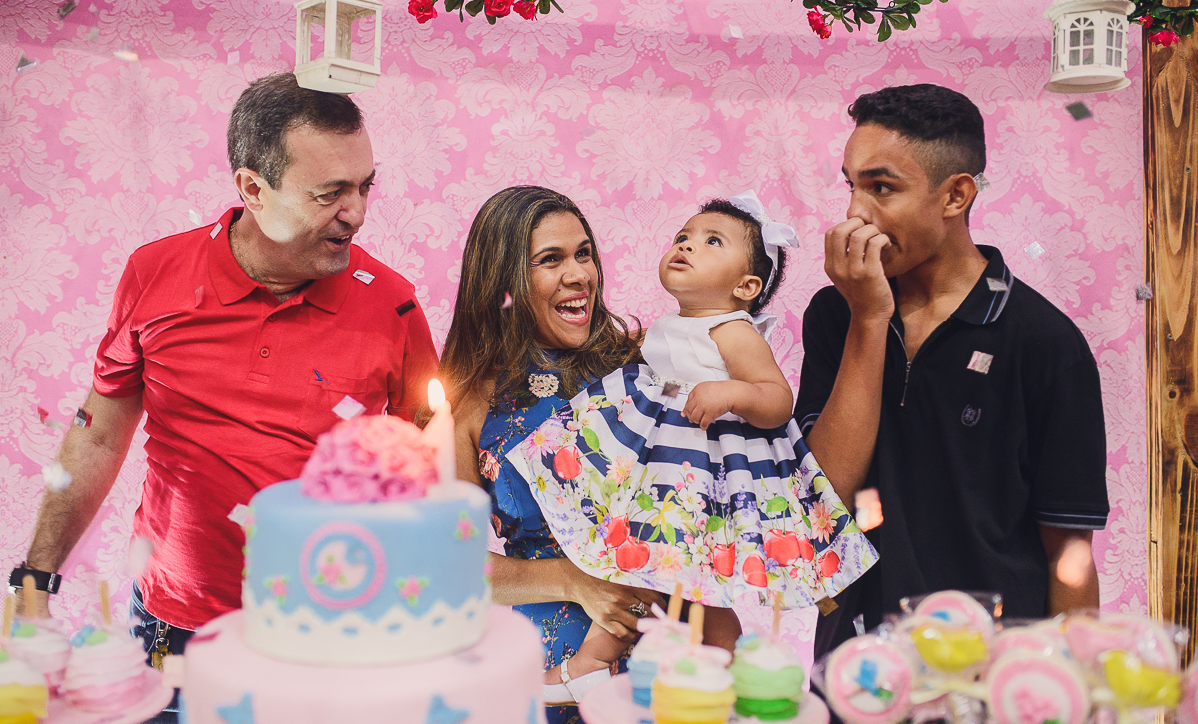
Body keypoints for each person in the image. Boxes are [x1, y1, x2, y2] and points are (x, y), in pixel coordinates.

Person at [12, 73, 439, 671]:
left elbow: (429, 466)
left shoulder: (392, 305)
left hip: (326, 631)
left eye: (366, 186)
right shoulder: (155, 274)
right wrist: (35, 581)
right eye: (330, 194)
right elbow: (99, 432)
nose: (357, 213)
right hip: (170, 622)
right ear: (252, 189)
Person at [501, 191, 879, 699]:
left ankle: (721, 676)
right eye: (683, 236)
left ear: (746, 286)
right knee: (650, 570)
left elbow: (776, 400)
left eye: (712, 241)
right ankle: (610, 661)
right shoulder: (672, 326)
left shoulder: (732, 330)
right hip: (666, 469)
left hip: (705, 476)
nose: (686, 245)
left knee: (694, 590)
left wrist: (732, 393)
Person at [794, 84, 1109, 657]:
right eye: (851, 185)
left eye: (881, 187)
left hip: (996, 670)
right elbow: (822, 500)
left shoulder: (1044, 341)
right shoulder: (837, 313)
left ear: (956, 196)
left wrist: (1072, 683)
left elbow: (1069, 551)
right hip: (858, 668)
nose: (855, 213)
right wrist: (868, 318)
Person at [441, 186, 664, 720]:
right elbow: (447, 562)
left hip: (661, 657)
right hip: (538, 675)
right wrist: (572, 579)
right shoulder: (466, 404)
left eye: (584, 253)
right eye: (551, 259)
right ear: (503, 281)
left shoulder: (646, 367)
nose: (579, 274)